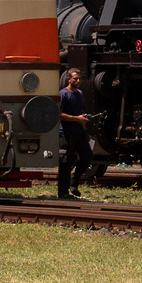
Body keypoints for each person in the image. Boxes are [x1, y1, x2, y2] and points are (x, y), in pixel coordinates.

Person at [57, 68, 92, 200]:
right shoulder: (63, 94)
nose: (78, 81)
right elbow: (59, 114)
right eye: (75, 79)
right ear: (69, 79)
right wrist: (77, 119)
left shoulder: (80, 93)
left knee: (87, 156)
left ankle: (74, 181)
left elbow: (81, 113)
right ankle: (63, 192)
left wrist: (85, 128)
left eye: (80, 79)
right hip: (66, 134)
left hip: (79, 132)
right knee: (65, 162)